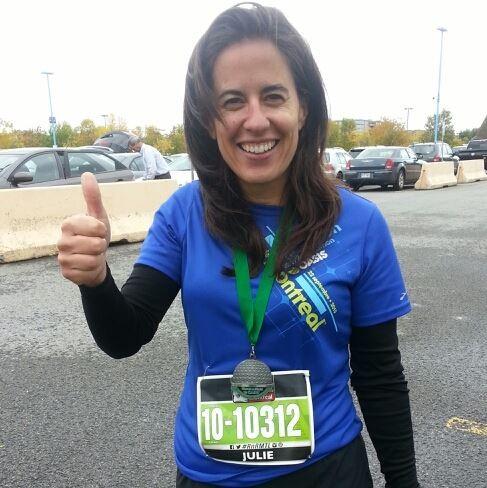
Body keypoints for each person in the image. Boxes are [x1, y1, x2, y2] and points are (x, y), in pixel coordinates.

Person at [57, 4, 420, 487]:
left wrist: (404, 480)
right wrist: (97, 280)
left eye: (273, 96)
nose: (255, 120)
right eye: (232, 101)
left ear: (303, 107)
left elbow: (379, 374)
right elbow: (124, 336)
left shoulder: (359, 222)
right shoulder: (183, 214)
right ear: (210, 120)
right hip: (209, 474)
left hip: (327, 470)